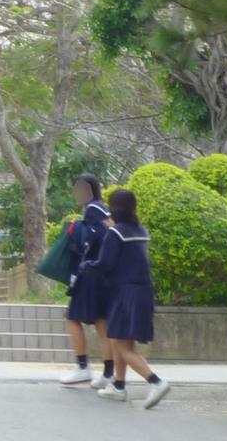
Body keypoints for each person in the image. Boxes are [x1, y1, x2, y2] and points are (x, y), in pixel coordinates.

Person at [82, 188, 170, 409]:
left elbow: (105, 264)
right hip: (143, 292)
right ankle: (118, 387)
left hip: (125, 294)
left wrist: (86, 266)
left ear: (113, 208)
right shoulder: (139, 230)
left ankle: (156, 382)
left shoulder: (115, 233)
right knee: (119, 339)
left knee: (122, 346)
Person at [59, 174, 115, 389]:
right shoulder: (103, 208)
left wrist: (80, 235)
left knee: (72, 318)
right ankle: (108, 373)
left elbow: (99, 237)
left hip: (90, 273)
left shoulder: (92, 210)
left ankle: (82, 367)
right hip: (104, 274)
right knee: (102, 323)